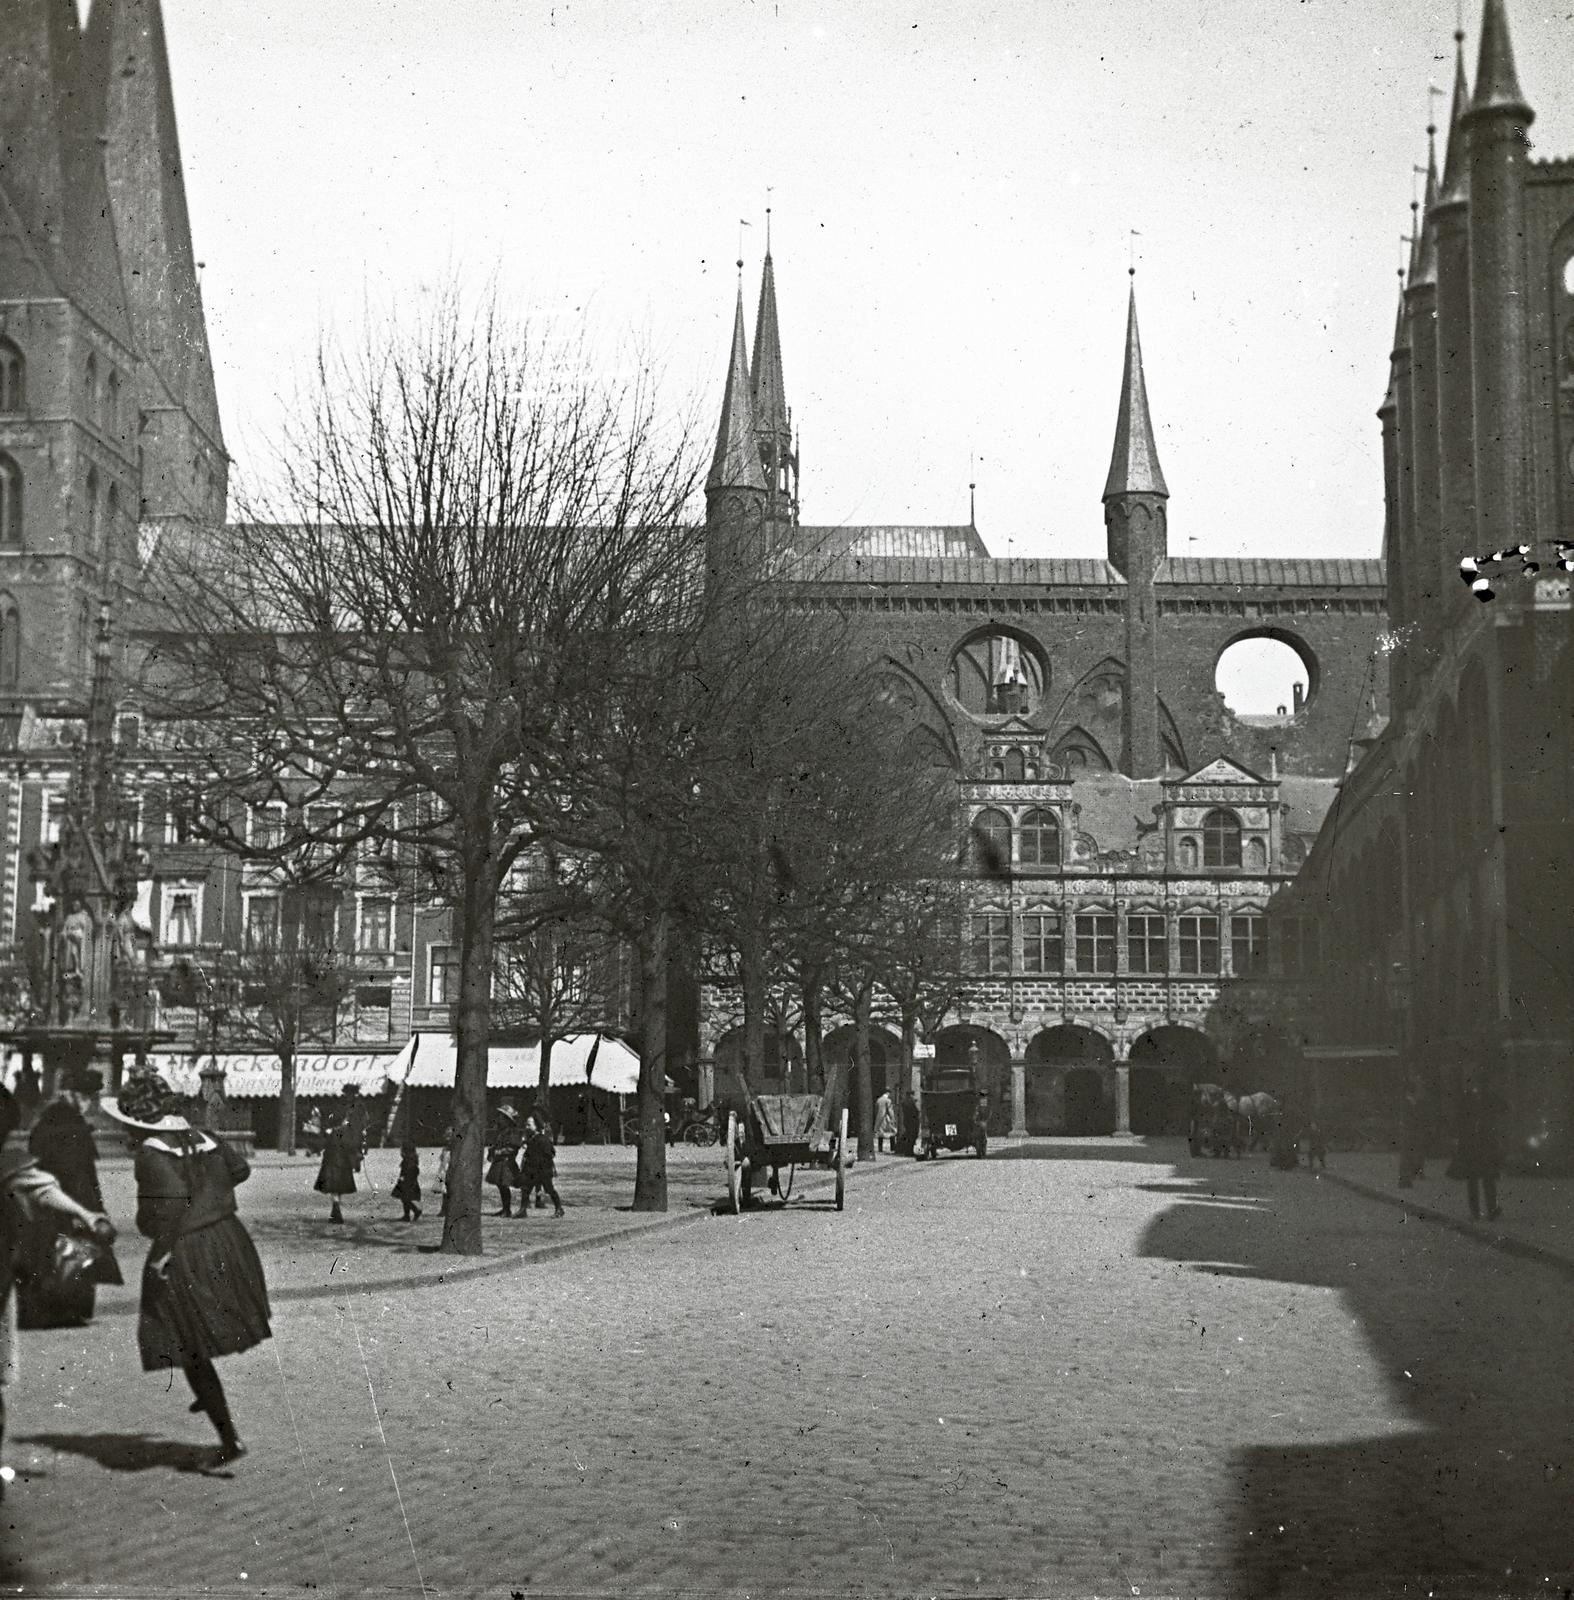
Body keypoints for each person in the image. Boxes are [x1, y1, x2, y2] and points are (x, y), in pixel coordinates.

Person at [102, 1072, 270, 1467]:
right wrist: (212, 1194)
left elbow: (167, 1209)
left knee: (181, 1333)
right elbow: (240, 1169)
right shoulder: (205, 1135)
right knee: (196, 1331)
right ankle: (209, 1398)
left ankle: (228, 1435)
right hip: (228, 1239)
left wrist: (160, 1250)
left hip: (186, 1247)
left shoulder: (151, 1152)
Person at [0, 1085, 115, 1495]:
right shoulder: (11, 1160)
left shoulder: (19, 1153)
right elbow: (42, 1188)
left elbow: (40, 1183)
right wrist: (88, 1213)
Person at [20, 1065, 122, 1326]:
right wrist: (87, 1211)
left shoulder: (47, 1121)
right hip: (70, 1199)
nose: (90, 1103)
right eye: (87, 1097)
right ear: (73, 1095)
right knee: (74, 1252)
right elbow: (77, 1174)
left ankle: (47, 1308)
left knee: (49, 1252)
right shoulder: (72, 1127)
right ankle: (65, 1310)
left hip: (47, 1199)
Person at [1449, 1078, 1503, 1222]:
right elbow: (1459, 1119)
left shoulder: (1488, 1097)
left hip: (1484, 1143)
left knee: (1487, 1178)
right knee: (1473, 1179)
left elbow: (1503, 1109)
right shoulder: (1467, 1098)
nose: (1475, 1087)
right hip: (1471, 1144)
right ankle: (1476, 1211)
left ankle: (1491, 1210)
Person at [313, 1090, 360, 1224]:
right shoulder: (346, 1132)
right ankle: (336, 1210)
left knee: (333, 1188)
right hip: (343, 1164)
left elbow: (323, 1144)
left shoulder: (332, 1133)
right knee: (339, 1188)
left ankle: (336, 1209)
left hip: (331, 1162)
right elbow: (352, 1145)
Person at [520, 1115, 564, 1218]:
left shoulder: (543, 1140)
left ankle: (559, 1208)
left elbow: (550, 1154)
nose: (526, 1127)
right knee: (526, 1189)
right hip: (532, 1170)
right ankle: (522, 1210)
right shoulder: (531, 1139)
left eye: (529, 1125)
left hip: (543, 1171)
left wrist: (541, 1164)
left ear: (537, 1126)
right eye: (526, 1124)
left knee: (549, 1189)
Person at [485, 1104, 522, 1216]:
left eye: (501, 1117)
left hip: (506, 1163)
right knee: (501, 1186)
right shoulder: (502, 1131)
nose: (499, 1119)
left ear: (507, 1119)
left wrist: (500, 1152)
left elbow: (513, 1147)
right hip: (499, 1162)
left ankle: (508, 1209)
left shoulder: (512, 1131)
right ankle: (505, 1208)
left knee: (504, 1185)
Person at [1398, 1076, 1426, 1189]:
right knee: (1406, 1155)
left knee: (1411, 1154)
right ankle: (1405, 1179)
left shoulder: (1413, 1102)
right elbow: (1408, 1118)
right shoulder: (1407, 1103)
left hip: (1412, 1130)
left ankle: (1409, 1176)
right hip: (1408, 1131)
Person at [391, 1141, 422, 1222]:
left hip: (408, 1183)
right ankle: (407, 1215)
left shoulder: (409, 1159)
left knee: (405, 1198)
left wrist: (403, 1178)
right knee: (404, 1198)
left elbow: (411, 1171)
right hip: (407, 1182)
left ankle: (415, 1211)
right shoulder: (409, 1158)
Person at [435, 1127, 453, 1218]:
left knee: (451, 1190)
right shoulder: (445, 1148)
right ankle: (444, 1209)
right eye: (446, 1136)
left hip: (451, 1170)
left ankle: (450, 1209)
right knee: (445, 1191)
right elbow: (441, 1158)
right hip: (444, 1170)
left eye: (449, 1136)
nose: (447, 1138)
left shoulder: (455, 1148)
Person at [873, 1089, 896, 1155]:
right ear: (888, 1093)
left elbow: (876, 1110)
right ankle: (892, 1148)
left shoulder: (878, 1100)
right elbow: (890, 1110)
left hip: (879, 1119)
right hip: (886, 1119)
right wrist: (892, 1118)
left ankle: (880, 1148)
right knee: (892, 1133)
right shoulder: (888, 1100)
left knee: (880, 1134)